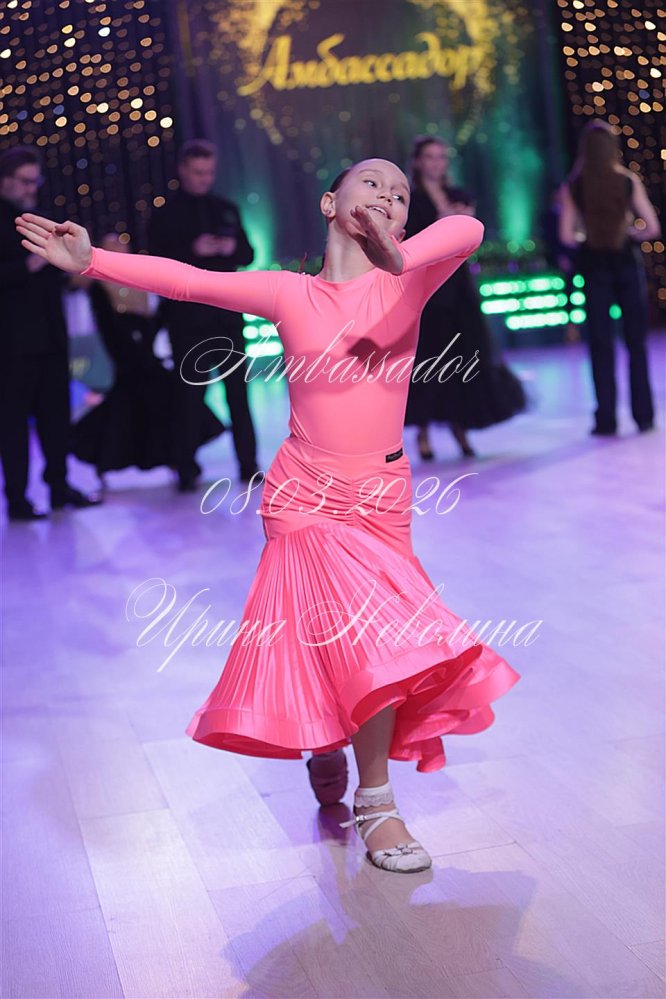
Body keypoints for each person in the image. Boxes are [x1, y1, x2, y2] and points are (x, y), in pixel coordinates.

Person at [16, 157, 521, 874]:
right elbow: (189, 281)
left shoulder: (409, 277)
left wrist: (398, 255)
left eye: (400, 193)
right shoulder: (291, 292)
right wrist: (94, 260)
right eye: (371, 183)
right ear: (329, 202)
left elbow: (467, 229)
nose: (387, 193)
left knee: (367, 643)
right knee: (362, 632)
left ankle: (329, 737)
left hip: (382, 498)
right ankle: (376, 802)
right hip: (304, 494)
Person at [404, 136, 527, 460]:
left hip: (459, 287)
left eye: (440, 157)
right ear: (418, 162)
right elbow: (413, 246)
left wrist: (463, 223)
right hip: (430, 289)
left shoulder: (459, 196)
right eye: (429, 157)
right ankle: (423, 431)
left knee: (464, 356)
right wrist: (442, 221)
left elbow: (467, 243)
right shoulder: (411, 202)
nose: (436, 163)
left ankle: (461, 426)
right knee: (430, 358)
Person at [148, 139, 259, 490]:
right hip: (188, 320)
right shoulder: (165, 215)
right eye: (198, 172)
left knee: (238, 394)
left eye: (209, 172)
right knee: (188, 397)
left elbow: (248, 253)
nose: (204, 178)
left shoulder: (225, 208)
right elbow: (156, 263)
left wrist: (230, 247)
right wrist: (192, 250)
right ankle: (185, 468)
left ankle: (248, 464)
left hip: (227, 316)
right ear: (182, 170)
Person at [71, 233, 225, 480]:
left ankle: (178, 458)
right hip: (128, 356)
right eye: (112, 245)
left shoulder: (136, 277)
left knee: (164, 401)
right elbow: (108, 325)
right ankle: (116, 460)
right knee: (132, 405)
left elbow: (155, 314)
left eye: (122, 245)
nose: (119, 249)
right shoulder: (99, 285)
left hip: (145, 351)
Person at [0, 146, 101, 521]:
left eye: (35, 181)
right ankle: (18, 498)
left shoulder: (39, 218)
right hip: (11, 344)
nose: (31, 188)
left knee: (56, 418)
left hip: (52, 336)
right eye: (24, 181)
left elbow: (56, 274)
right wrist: (28, 265)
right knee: (13, 423)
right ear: (5, 181)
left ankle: (59, 486)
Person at [559, 120, 660, 436]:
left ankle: (606, 419)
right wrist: (628, 232)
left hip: (594, 265)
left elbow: (566, 235)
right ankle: (644, 416)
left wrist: (588, 237)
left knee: (601, 344)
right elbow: (652, 227)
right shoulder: (627, 180)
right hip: (625, 261)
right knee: (636, 343)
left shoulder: (575, 185)